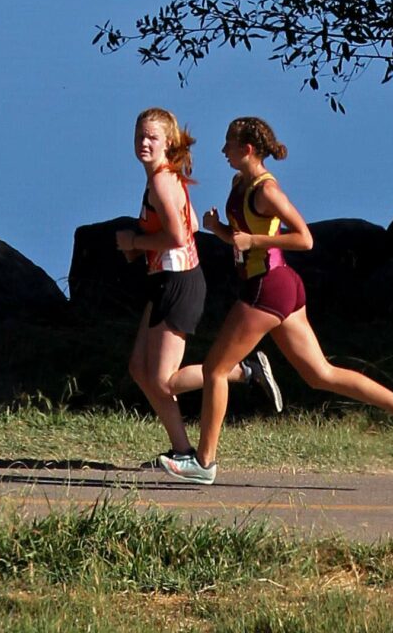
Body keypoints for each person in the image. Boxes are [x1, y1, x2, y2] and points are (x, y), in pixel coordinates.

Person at [158, 114, 393, 484]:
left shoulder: (267, 190)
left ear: (247, 149)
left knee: (216, 370)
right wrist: (220, 230)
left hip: (269, 285)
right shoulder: (241, 183)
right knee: (320, 374)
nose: (223, 150)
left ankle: (204, 463)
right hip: (277, 286)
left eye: (229, 144)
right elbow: (245, 237)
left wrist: (254, 242)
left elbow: (304, 238)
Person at [115, 108, 280, 460]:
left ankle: (244, 371)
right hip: (166, 279)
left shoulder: (161, 180)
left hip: (179, 282)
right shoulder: (163, 176)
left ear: (168, 142)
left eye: (152, 137)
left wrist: (133, 242)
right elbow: (183, 226)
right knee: (139, 369)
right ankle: (181, 450)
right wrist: (141, 245)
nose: (144, 142)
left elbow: (177, 237)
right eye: (139, 135)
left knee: (163, 380)